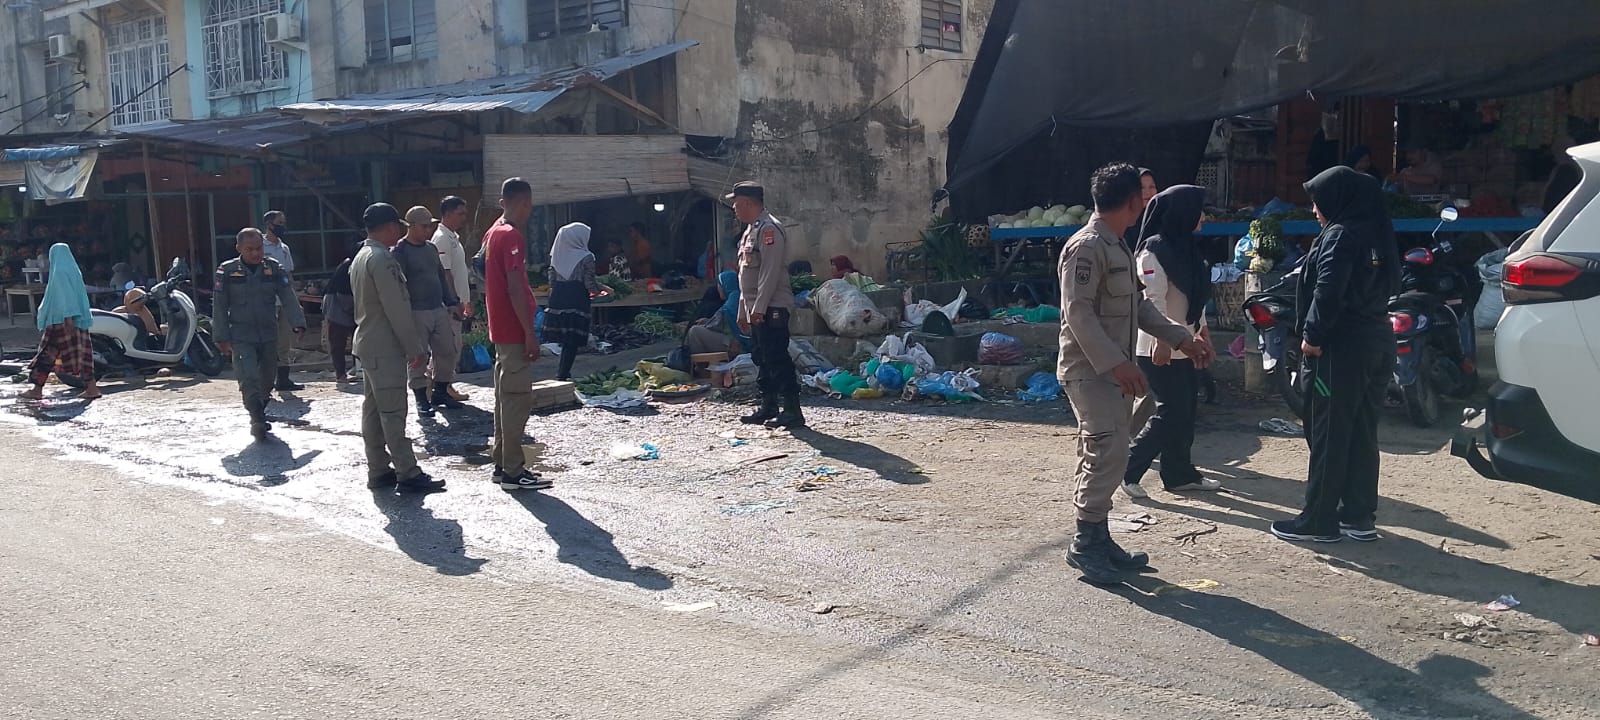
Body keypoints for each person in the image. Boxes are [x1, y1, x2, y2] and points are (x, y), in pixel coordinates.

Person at [1057, 163, 1214, 585]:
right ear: (1131, 201)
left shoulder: (1119, 245)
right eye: (1141, 198)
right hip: (1090, 370)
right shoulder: (1087, 247)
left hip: (1112, 368)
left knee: (1110, 451)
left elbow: (1140, 307)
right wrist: (1117, 363)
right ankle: (1086, 544)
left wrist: (1181, 338)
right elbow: (1078, 314)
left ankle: (1098, 536)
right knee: (1106, 449)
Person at [1273, 166, 1399, 544]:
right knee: (1361, 430)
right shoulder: (1377, 233)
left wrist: (1312, 336)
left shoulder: (1341, 236)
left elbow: (1329, 289)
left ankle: (1319, 519)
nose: (1314, 210)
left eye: (1317, 201)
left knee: (1329, 432)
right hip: (1376, 340)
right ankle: (1359, 515)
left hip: (1339, 349)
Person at [1122, 186, 1223, 498]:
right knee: (1171, 411)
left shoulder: (1188, 250)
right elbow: (1153, 299)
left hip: (1186, 344)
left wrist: (1202, 331)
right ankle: (1129, 469)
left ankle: (1179, 474)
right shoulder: (1153, 251)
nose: (1203, 217)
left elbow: (1193, 297)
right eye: (1198, 210)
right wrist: (1163, 340)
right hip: (1157, 347)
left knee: (1186, 411)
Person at [351, 203, 444, 494]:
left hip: (368, 342)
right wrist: (414, 347)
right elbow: (397, 309)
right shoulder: (382, 259)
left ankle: (378, 468)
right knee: (393, 411)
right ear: (391, 226)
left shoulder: (361, 256)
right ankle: (408, 471)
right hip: (385, 344)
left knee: (374, 410)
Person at [483, 178, 553, 492]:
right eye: (529, 204)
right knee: (515, 401)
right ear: (523, 201)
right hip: (512, 330)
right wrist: (529, 333)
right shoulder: (510, 235)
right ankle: (513, 471)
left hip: (500, 328)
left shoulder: (492, 231)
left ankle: (502, 463)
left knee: (503, 399)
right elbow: (513, 286)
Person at [213, 228, 306, 439]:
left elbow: (288, 296)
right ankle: (256, 417)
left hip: (268, 333)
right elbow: (219, 306)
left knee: (266, 379)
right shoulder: (227, 271)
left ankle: (260, 407)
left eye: (259, 248)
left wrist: (298, 322)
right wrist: (221, 336)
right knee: (248, 377)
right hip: (241, 334)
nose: (256, 253)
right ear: (239, 249)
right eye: (250, 249)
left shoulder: (273, 269)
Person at [728, 181, 801, 428]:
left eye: (736, 203)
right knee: (761, 357)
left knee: (776, 356)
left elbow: (768, 273)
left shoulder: (769, 229)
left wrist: (759, 308)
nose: (734, 208)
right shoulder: (750, 231)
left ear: (748, 202)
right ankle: (768, 405)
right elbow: (745, 277)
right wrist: (743, 309)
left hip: (773, 306)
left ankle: (792, 410)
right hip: (756, 307)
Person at [393, 206, 465, 416]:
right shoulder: (400, 252)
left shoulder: (431, 249)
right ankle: (421, 398)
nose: (427, 230)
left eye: (429, 226)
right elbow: (399, 286)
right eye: (424, 227)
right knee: (418, 356)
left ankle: (441, 390)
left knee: (448, 350)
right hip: (416, 311)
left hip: (437, 308)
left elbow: (441, 277)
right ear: (411, 226)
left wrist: (452, 301)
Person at [21, 243, 101, 401]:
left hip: (61, 321)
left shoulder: (59, 272)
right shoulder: (74, 270)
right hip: (79, 320)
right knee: (84, 354)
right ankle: (92, 388)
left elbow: (65, 297)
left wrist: (67, 318)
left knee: (46, 355)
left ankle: (36, 389)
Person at [546, 222, 605, 381]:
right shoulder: (587, 257)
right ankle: (563, 373)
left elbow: (551, 281)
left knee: (566, 338)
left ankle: (563, 371)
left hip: (558, 298)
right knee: (572, 340)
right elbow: (589, 284)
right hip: (576, 298)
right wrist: (603, 290)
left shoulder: (556, 256)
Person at [433, 196, 473, 401]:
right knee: (450, 347)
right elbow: (444, 272)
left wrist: (465, 300)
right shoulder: (441, 238)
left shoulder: (452, 237)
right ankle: (443, 385)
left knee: (452, 345)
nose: (464, 218)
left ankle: (442, 385)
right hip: (448, 304)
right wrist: (454, 301)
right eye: (461, 213)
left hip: (457, 300)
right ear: (448, 214)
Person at [261, 210, 304, 392]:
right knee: (267, 341)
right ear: (269, 225)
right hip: (266, 302)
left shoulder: (284, 248)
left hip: (283, 302)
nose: (283, 226)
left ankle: (284, 380)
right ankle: (265, 381)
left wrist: (295, 303)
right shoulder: (259, 246)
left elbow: (289, 276)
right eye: (279, 222)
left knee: (284, 342)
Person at [687, 270, 751, 355]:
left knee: (694, 331)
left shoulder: (730, 304)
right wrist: (707, 321)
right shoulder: (740, 296)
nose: (718, 287)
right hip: (746, 343)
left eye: (719, 284)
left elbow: (717, 326)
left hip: (738, 345)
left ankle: (701, 365)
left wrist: (707, 323)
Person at [322, 245, 358, 384]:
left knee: (357, 337)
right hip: (337, 304)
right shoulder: (347, 267)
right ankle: (340, 374)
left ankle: (357, 368)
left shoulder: (354, 265)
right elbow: (343, 294)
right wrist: (354, 310)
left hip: (350, 303)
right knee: (338, 341)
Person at [1122, 168, 1159, 250]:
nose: (1148, 192)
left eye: (1152, 187)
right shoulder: (1124, 222)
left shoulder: (1161, 217)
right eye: (1142, 188)